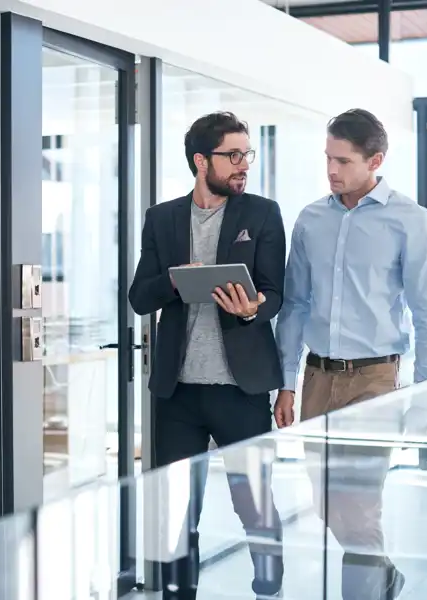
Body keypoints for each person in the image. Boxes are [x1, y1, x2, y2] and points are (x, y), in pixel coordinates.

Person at [274, 108, 427, 600]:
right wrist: (286, 382)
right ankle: (384, 575)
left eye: (344, 161)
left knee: (361, 505)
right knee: (327, 504)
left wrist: (423, 401)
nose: (331, 170)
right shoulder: (310, 219)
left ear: (376, 161)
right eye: (328, 158)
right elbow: (295, 305)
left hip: (375, 382)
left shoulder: (411, 221)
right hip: (317, 379)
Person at [129, 111, 286, 599]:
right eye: (233, 155)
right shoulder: (162, 219)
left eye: (246, 154)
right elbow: (139, 297)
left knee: (254, 505)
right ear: (201, 161)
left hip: (241, 389)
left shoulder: (262, 214)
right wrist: (176, 281)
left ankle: (269, 590)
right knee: (176, 512)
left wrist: (253, 308)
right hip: (177, 394)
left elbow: (275, 292)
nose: (244, 164)